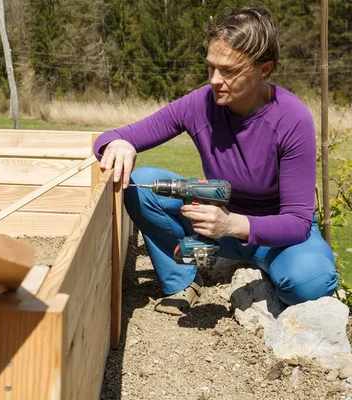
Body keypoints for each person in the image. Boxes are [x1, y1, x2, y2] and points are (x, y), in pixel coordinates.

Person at [93, 4, 338, 315]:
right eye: (211, 67)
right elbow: (106, 139)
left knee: (312, 283)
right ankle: (184, 279)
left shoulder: (292, 118)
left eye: (230, 71)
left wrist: (232, 224)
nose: (214, 80)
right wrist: (120, 143)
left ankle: (259, 265)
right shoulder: (200, 104)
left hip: (277, 237)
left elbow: (297, 223)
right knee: (139, 183)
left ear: (264, 69)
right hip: (216, 228)